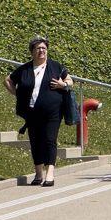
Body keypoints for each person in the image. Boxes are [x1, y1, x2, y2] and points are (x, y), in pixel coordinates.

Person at [5, 36, 73, 188]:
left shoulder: (55, 67)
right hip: (32, 112)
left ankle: (50, 173)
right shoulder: (25, 69)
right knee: (35, 141)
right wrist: (18, 95)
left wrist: (63, 84)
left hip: (53, 112)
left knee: (49, 140)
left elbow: (70, 80)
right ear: (32, 52)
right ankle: (38, 173)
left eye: (44, 48)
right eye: (38, 48)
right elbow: (8, 80)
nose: (41, 51)